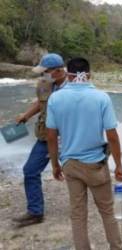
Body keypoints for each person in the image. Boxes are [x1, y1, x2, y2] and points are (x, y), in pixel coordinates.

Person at [46, 58, 122, 250]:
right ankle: (116, 247)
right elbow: (112, 136)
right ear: (89, 74)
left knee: (78, 214)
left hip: (70, 164)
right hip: (96, 165)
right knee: (107, 211)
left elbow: (51, 135)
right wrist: (119, 166)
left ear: (68, 74)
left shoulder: (55, 98)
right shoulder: (101, 97)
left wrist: (55, 164)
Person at [13, 53, 66, 227]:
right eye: (42, 72)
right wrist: (25, 115)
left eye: (46, 72)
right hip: (45, 137)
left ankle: (93, 205)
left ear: (58, 71)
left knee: (79, 174)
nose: (43, 75)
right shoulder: (45, 84)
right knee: (30, 170)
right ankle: (35, 212)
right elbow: (40, 103)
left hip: (69, 139)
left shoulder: (73, 88)